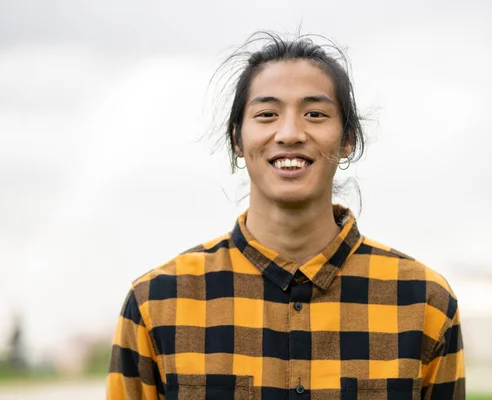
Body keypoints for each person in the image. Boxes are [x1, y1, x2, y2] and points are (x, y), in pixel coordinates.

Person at [107, 31, 465, 400]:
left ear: (347, 140)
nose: (290, 133)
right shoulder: (157, 303)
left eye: (314, 114)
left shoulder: (423, 302)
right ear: (237, 140)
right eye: (267, 114)